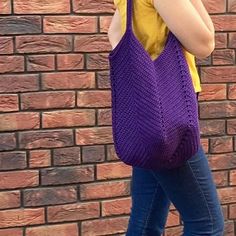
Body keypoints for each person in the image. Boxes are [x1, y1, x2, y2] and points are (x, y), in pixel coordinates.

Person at [107, 0, 225, 235]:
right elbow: (205, 43)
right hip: (168, 118)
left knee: (147, 221)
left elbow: (115, 33)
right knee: (207, 224)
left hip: (148, 114)